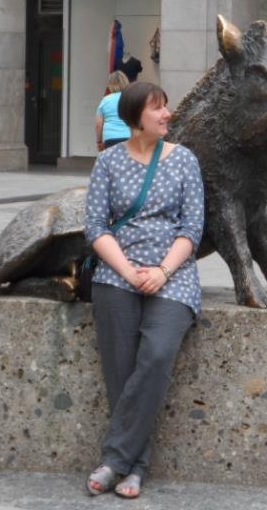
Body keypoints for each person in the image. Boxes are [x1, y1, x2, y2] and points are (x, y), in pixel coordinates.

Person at [84, 81, 205, 498]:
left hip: (174, 275)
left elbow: (192, 229)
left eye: (166, 107)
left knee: (155, 355)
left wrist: (162, 271)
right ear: (136, 120)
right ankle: (135, 469)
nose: (167, 114)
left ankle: (115, 459)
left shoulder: (185, 160)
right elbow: (96, 228)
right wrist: (129, 270)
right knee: (120, 369)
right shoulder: (108, 163)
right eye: (158, 109)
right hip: (117, 273)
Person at [95, 71, 130, 151]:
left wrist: (99, 141)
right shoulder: (131, 98)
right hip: (129, 137)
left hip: (110, 138)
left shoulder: (105, 100)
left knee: (112, 162)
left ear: (110, 84)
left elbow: (98, 124)